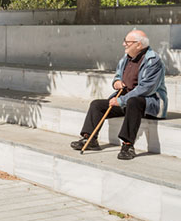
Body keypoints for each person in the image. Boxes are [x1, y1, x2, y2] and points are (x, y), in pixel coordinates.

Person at [70, 29, 168, 160]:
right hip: (126, 99)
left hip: (148, 102)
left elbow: (146, 88)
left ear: (138, 45)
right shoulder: (126, 58)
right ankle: (90, 139)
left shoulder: (153, 61)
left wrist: (122, 101)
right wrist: (116, 82)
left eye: (127, 42)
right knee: (97, 105)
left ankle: (128, 145)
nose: (124, 44)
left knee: (134, 101)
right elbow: (118, 76)